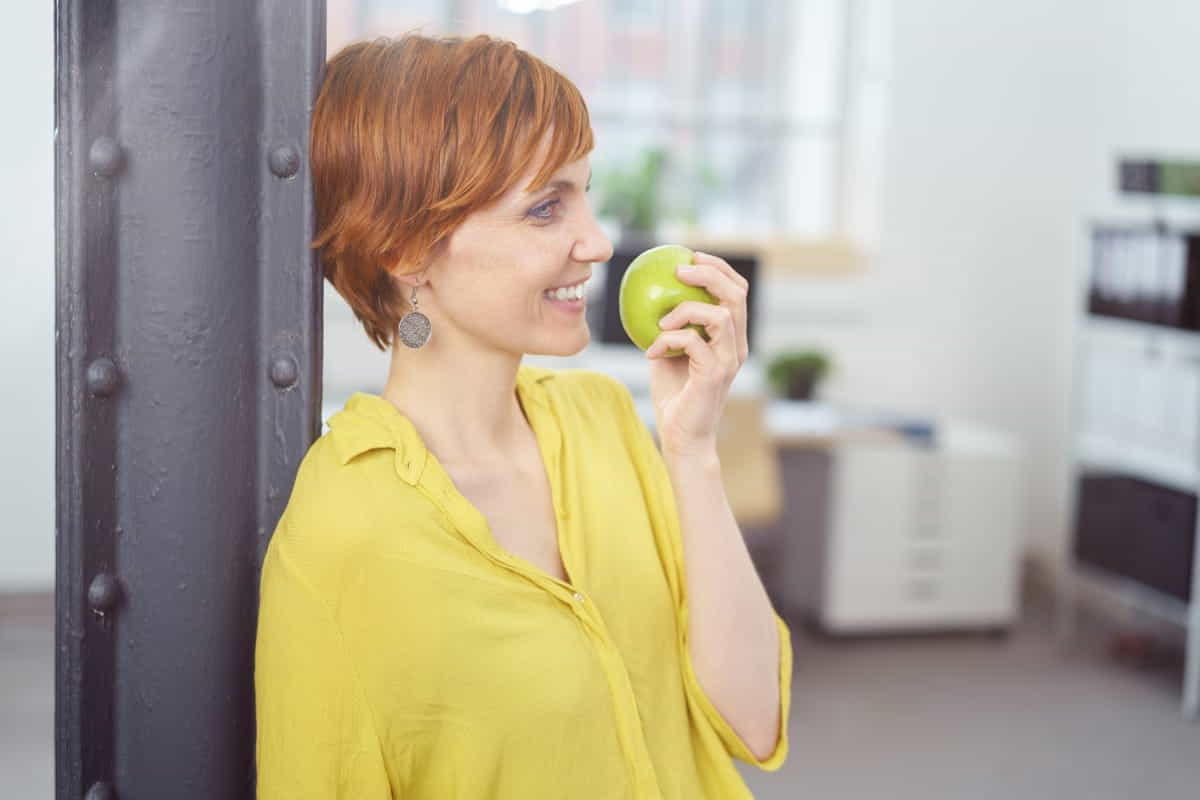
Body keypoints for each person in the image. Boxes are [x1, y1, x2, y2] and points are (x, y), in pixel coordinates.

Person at [253, 32, 792, 799]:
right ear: (407, 249)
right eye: (545, 208)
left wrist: (693, 449)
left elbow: (754, 721)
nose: (597, 243)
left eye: (585, 192)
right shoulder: (342, 534)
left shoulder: (603, 421)